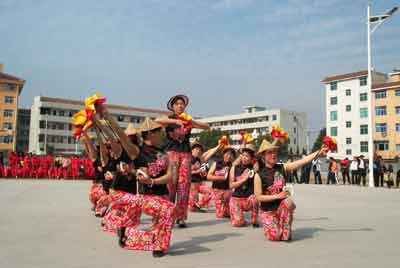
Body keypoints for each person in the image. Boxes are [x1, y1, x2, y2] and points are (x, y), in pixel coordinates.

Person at [118, 118, 175, 258]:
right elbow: (121, 136)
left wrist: (152, 181)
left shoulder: (164, 154)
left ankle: (127, 234)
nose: (162, 134)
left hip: (163, 195)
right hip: (146, 197)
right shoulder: (138, 151)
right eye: (159, 132)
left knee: (162, 225)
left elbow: (170, 176)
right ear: (150, 133)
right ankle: (160, 246)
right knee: (169, 209)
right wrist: (106, 116)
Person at [254, 139, 329, 241]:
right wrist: (277, 196)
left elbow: (302, 161)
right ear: (263, 156)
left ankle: (284, 226)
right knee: (275, 236)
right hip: (268, 211)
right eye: (269, 153)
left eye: (275, 152)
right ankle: (271, 225)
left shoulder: (283, 168)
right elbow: (259, 197)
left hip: (281, 208)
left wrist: (319, 152)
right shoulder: (258, 175)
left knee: (287, 203)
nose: (273, 155)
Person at [155, 94, 209, 228]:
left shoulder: (188, 119)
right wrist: (174, 121)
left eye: (182, 104)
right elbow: (156, 120)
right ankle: (167, 213)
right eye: (177, 103)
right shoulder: (169, 119)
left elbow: (207, 126)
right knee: (170, 184)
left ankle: (180, 216)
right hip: (171, 153)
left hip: (185, 154)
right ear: (173, 106)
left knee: (184, 186)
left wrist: (193, 123)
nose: (180, 105)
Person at [229, 143, 259, 227]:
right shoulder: (234, 167)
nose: (245, 158)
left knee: (255, 198)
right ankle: (240, 218)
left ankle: (254, 219)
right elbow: (231, 185)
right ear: (240, 156)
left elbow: (258, 160)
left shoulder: (254, 168)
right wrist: (244, 179)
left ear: (251, 158)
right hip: (237, 198)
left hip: (248, 198)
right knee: (237, 223)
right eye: (243, 155)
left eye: (247, 156)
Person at [204, 147, 236, 218]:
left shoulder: (233, 166)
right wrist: (221, 178)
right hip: (216, 190)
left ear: (233, 157)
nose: (229, 156)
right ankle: (200, 203)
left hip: (227, 191)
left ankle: (226, 206)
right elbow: (208, 176)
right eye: (227, 154)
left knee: (229, 213)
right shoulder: (217, 163)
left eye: (231, 155)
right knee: (220, 215)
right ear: (223, 154)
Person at [188, 141, 220, 212]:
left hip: (200, 183)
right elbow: (186, 172)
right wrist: (198, 171)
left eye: (200, 150)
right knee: (192, 208)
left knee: (211, 192)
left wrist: (219, 146)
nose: (198, 151)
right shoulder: (188, 159)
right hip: (192, 184)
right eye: (196, 149)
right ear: (192, 150)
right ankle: (194, 206)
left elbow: (210, 152)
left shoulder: (200, 159)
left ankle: (198, 205)